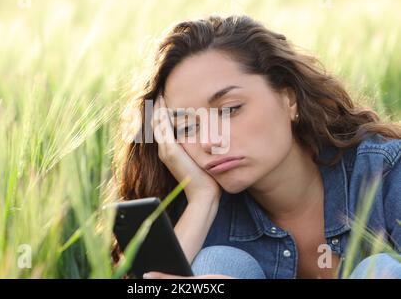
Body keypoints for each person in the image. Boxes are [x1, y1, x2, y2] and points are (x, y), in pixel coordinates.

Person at [111, 14, 401, 279]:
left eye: (230, 110)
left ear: (289, 98)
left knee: (380, 271)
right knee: (217, 263)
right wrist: (202, 198)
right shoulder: (199, 216)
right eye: (186, 127)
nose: (211, 141)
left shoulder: (385, 171)